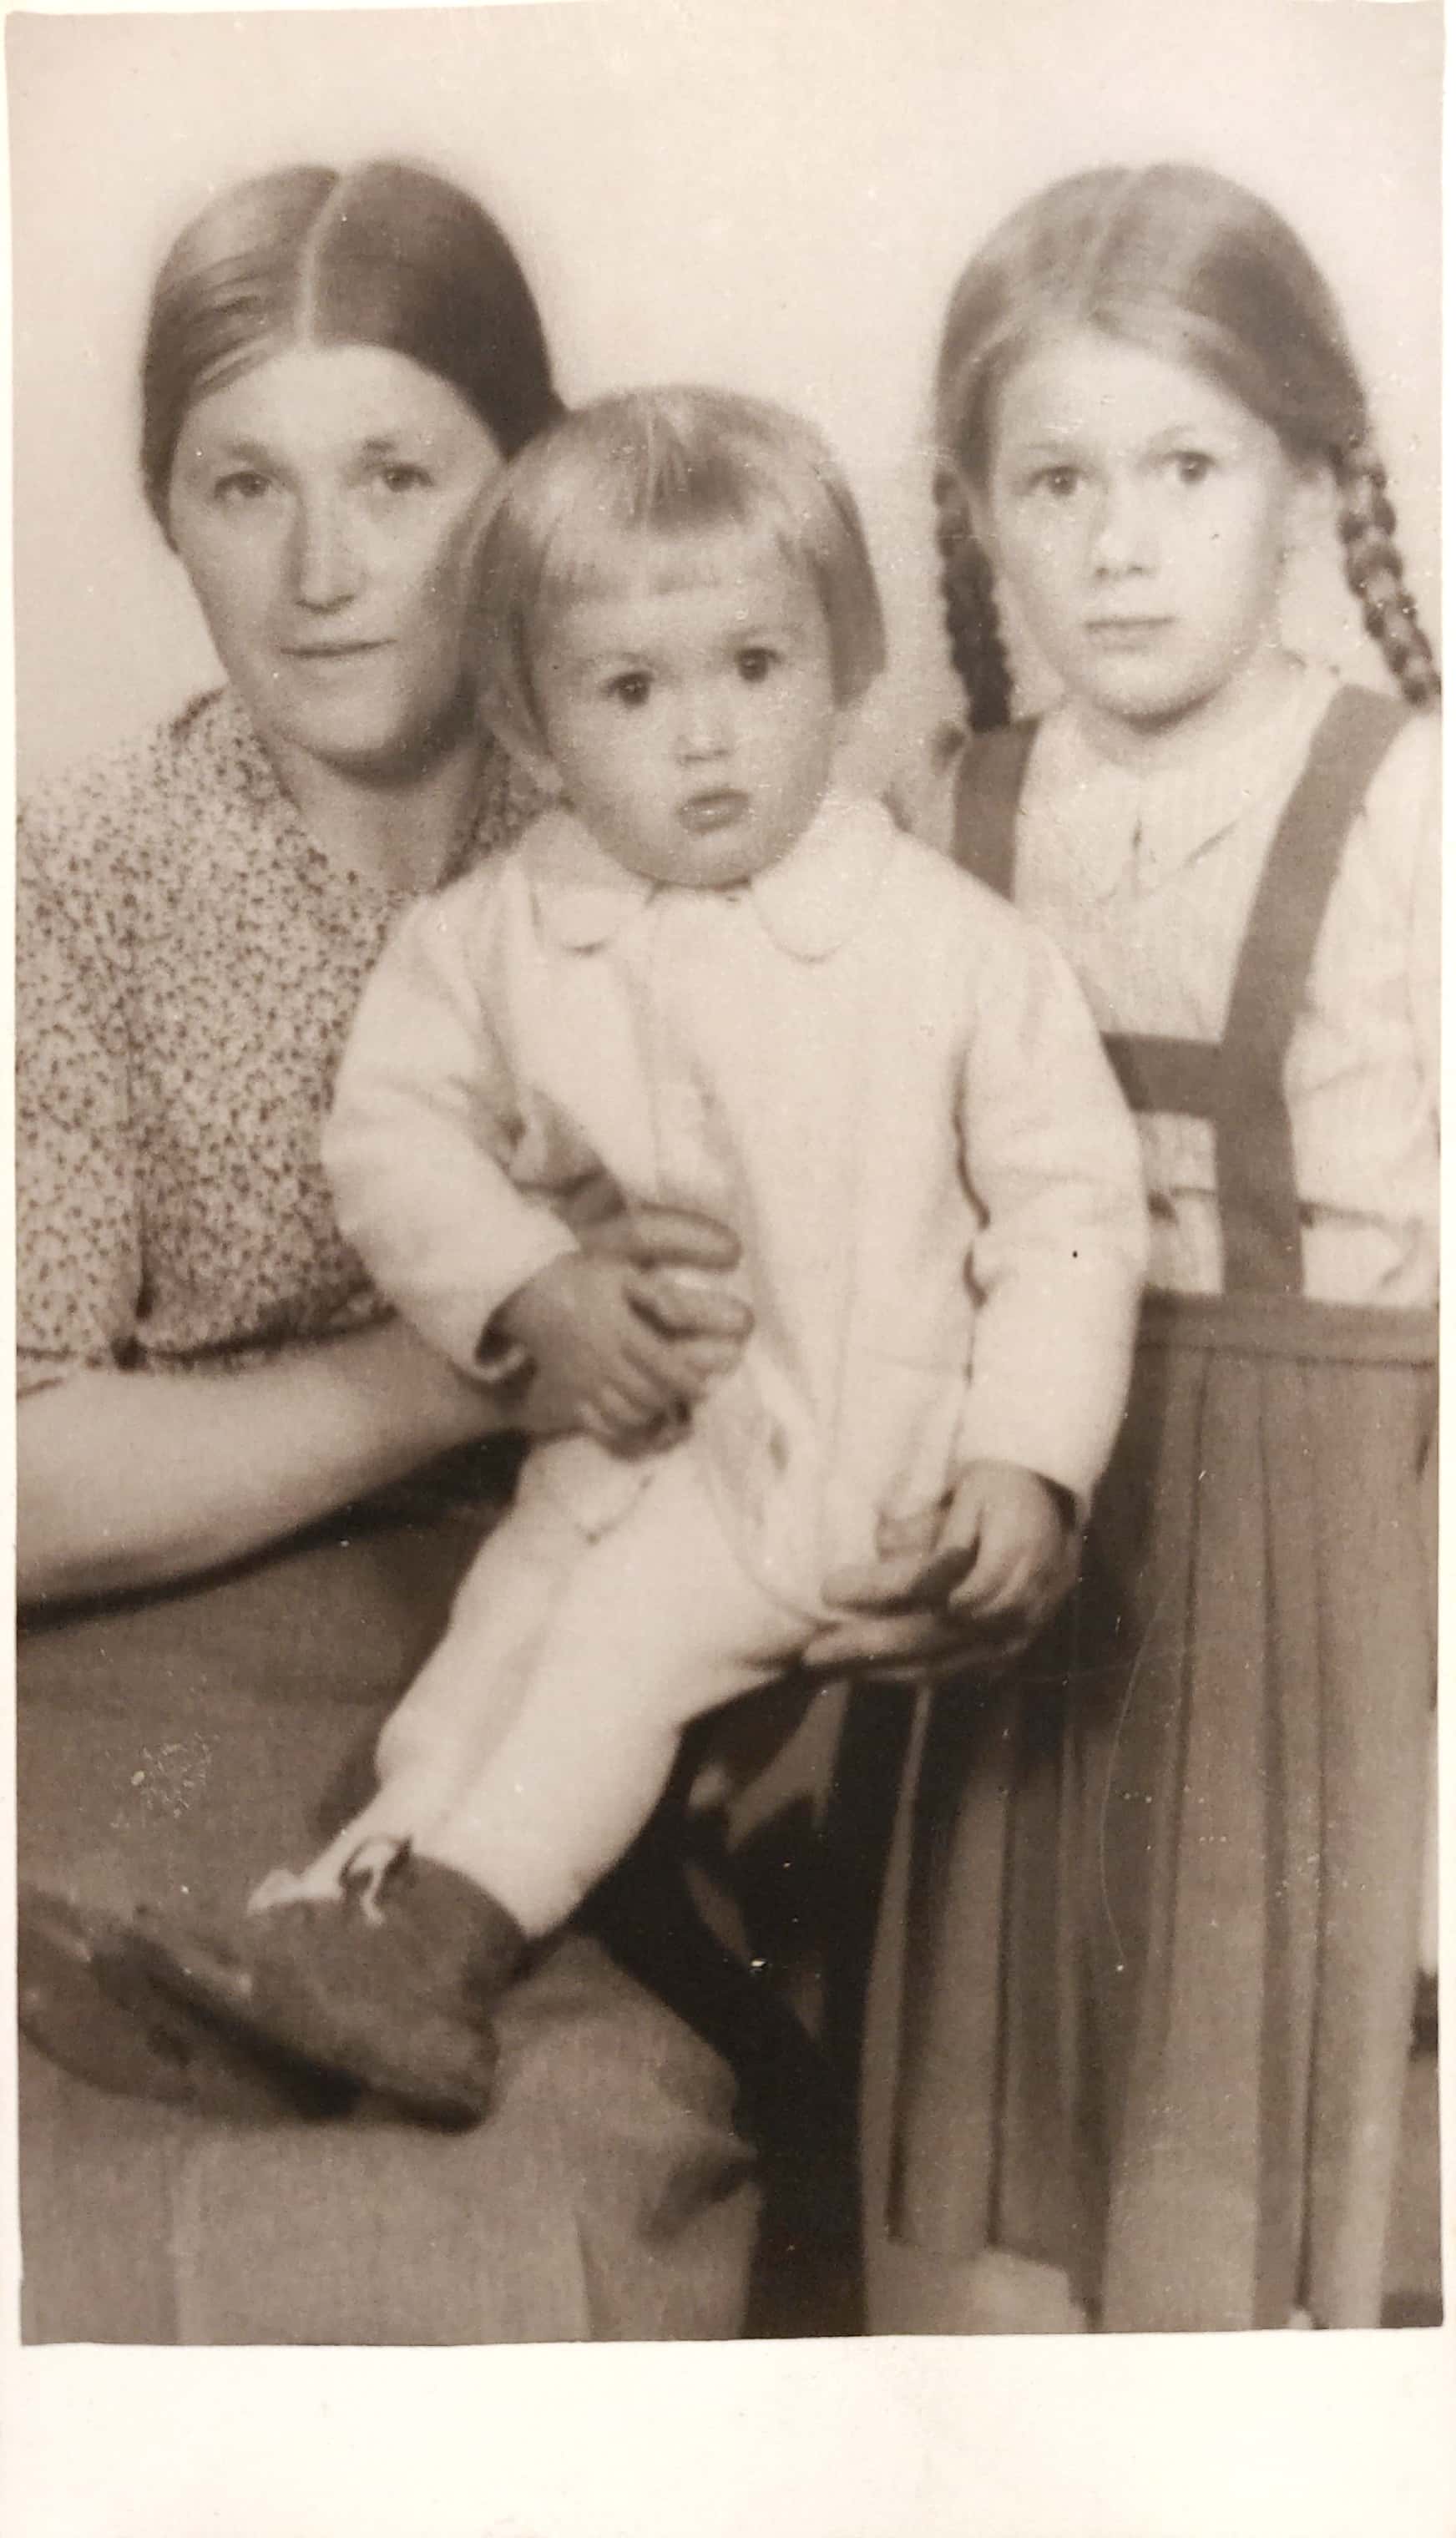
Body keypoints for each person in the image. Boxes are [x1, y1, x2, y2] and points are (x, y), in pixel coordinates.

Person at [99, 385, 1150, 2129]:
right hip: (611, 1456)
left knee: (607, 1654)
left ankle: (440, 1947)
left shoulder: (946, 949)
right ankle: (326, 1943)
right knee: (482, 1664)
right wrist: (525, 1285)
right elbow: (392, 1134)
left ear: (846, 660)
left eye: (754, 666)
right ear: (531, 715)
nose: (706, 739)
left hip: (837, 1462)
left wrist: (1025, 1458)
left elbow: (1070, 1212)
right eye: (631, 692)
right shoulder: (500, 932)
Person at [14, 161, 789, 2343]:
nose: (322, 570)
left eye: (395, 475)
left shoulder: (679, 814)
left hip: (577, 1700)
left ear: (524, 483)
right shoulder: (70, 879)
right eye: (243, 484)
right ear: (164, 513)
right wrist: (484, 1355)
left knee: (545, 2200)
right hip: (125, 1711)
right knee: (85, 2208)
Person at [875, 163, 1439, 2334]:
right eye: (1057, 479)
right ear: (978, 511)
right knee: (1008, 2204)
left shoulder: (1412, 815)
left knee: (1267, 2205)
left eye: (1185, 468)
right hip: (1035, 1557)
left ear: (1307, 483)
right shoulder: (947, 815)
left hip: (1338, 1572)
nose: (1116, 541)